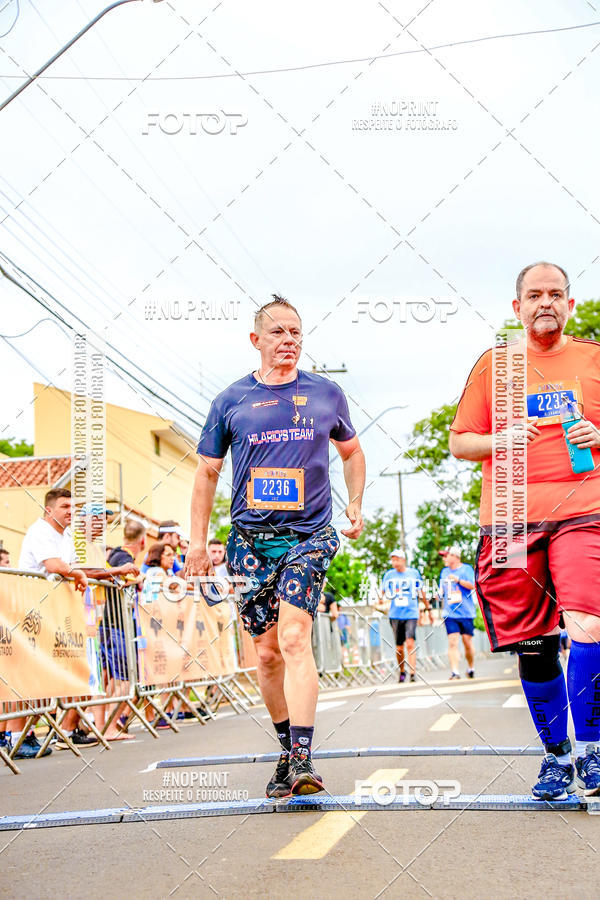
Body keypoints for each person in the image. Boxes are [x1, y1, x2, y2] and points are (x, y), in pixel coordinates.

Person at [185, 294, 365, 797]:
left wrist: (355, 501)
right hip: (250, 541)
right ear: (256, 339)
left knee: (293, 638)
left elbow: (352, 452)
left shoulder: (326, 393)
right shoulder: (230, 401)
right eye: (278, 332)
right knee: (266, 655)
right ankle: (287, 750)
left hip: (310, 536)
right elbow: (206, 474)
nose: (289, 341)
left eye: (296, 332)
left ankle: (304, 759)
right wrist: (197, 543)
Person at [450, 260, 600, 799]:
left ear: (570, 304)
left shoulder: (593, 358)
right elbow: (460, 442)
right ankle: (557, 757)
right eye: (534, 295)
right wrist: (503, 439)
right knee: (534, 644)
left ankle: (592, 751)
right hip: (510, 515)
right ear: (517, 307)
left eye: (555, 294)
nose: (546, 302)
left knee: (587, 623)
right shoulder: (496, 364)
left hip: (584, 508)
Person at [380, 549, 431, 683]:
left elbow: (421, 591)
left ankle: (413, 672)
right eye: (392, 560)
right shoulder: (389, 575)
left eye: (397, 559)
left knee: (410, 643)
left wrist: (427, 606)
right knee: (399, 648)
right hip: (395, 614)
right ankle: (402, 670)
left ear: (403, 560)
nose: (394, 562)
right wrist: (379, 599)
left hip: (411, 612)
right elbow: (382, 592)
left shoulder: (414, 573)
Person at [438, 546, 476, 680]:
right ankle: (455, 672)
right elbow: (442, 589)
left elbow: (473, 585)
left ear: (454, 556)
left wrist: (458, 580)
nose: (444, 559)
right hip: (450, 613)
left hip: (466, 613)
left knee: (467, 642)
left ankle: (470, 667)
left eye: (446, 556)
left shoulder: (467, 569)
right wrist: (438, 594)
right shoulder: (444, 572)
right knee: (453, 642)